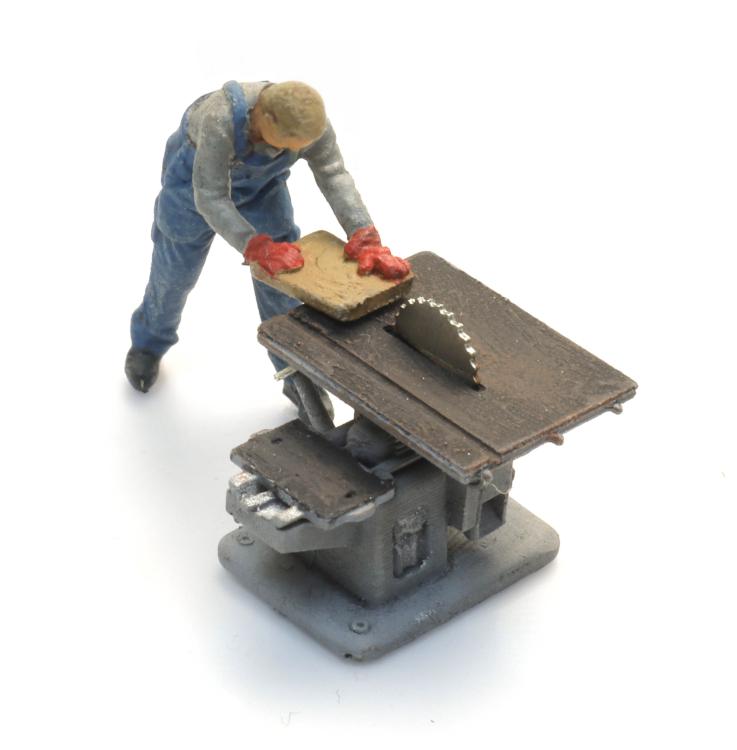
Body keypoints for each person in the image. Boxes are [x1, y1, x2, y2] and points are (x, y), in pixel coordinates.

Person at [126, 80, 407, 414]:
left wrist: (364, 235)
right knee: (173, 277)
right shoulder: (219, 120)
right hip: (192, 191)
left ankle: (295, 372)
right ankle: (148, 344)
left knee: (283, 279)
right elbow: (210, 196)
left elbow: (333, 173)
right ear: (264, 119)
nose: (296, 150)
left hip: (261, 192)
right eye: (288, 146)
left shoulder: (311, 126)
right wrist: (254, 245)